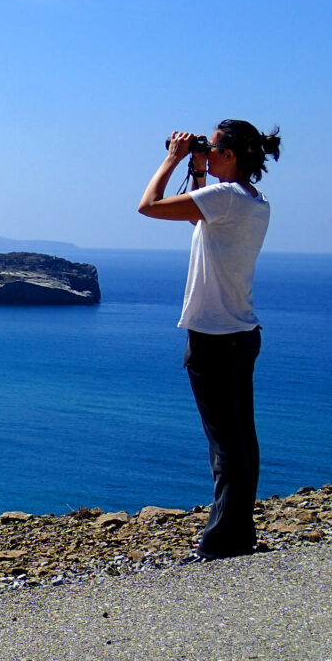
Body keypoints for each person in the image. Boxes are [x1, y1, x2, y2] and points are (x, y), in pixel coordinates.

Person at [137, 119, 281, 560]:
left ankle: (220, 543)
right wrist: (199, 169)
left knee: (224, 446)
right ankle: (239, 532)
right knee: (242, 440)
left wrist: (173, 159)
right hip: (241, 333)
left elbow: (149, 205)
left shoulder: (225, 198)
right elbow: (200, 220)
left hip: (214, 338)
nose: (206, 149)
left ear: (231, 155)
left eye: (213, 147)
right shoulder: (253, 201)